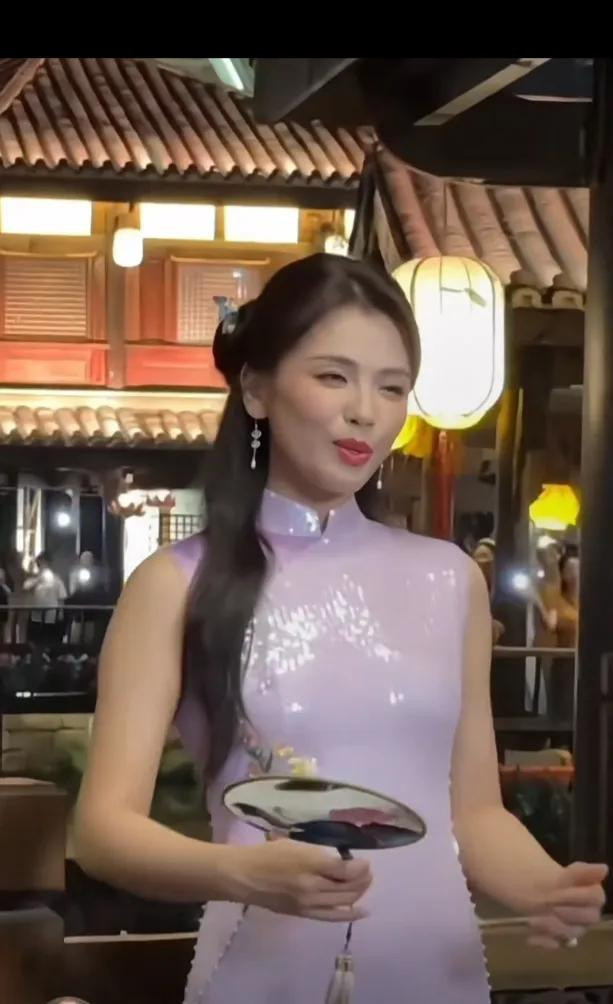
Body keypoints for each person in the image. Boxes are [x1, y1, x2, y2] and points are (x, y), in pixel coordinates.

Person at [73, 255, 607, 1004]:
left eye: (391, 387)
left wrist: (544, 886)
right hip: (262, 974)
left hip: (438, 971)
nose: (366, 411)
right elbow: (101, 829)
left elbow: (475, 813)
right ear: (256, 388)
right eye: (333, 376)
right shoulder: (176, 584)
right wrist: (240, 872)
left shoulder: (449, 578)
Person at [23, 551, 67, 646]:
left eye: (45, 563)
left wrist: (60, 612)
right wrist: (39, 579)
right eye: (40, 563)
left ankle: (48, 651)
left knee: (49, 637)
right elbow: (26, 587)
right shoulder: (33, 579)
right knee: (36, 638)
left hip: (51, 615)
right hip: (36, 615)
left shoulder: (56, 579)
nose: (42, 566)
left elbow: (61, 597)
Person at [471, 537, 505, 644]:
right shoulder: (469, 584)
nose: (482, 568)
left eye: (487, 564)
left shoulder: (502, 587)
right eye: (478, 563)